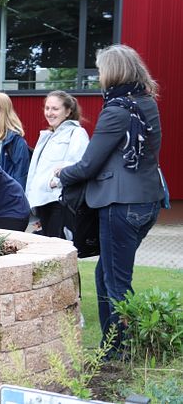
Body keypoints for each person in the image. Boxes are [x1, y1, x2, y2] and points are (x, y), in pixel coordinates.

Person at [57, 44, 165, 354]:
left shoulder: (117, 110)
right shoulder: (146, 103)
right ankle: (112, 345)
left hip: (121, 206)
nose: (99, 75)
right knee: (107, 275)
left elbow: (90, 163)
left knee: (115, 282)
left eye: (101, 69)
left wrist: (62, 174)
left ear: (113, 72)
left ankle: (119, 350)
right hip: (148, 201)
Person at [25, 91, 89, 238]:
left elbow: (79, 165)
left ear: (68, 111)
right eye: (47, 108)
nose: (49, 113)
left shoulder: (77, 133)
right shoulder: (47, 136)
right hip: (44, 203)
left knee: (59, 251)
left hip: (59, 203)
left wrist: (55, 182)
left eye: (55, 109)